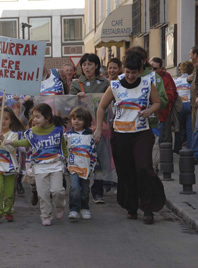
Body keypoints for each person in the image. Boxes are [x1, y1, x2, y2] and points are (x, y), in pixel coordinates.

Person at [95, 52, 166, 225]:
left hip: (142, 133)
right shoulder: (115, 85)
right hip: (120, 134)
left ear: (140, 71)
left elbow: (157, 102)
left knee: (144, 168)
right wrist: (98, 129)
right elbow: (102, 107)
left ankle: (148, 208)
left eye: (134, 72)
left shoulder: (148, 84)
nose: (131, 76)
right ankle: (131, 206)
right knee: (126, 172)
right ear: (123, 70)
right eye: (127, 72)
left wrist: (150, 110)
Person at [5, 103, 67, 226]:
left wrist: (66, 157)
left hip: (56, 165)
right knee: (43, 194)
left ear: (48, 117)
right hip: (39, 166)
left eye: (38, 117)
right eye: (33, 117)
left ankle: (59, 206)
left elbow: (63, 144)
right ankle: (46, 215)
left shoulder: (57, 129)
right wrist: (12, 142)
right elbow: (26, 142)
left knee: (57, 191)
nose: (34, 120)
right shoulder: (32, 132)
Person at [69, 53, 109, 204]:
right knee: (81, 157)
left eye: (90, 64)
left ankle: (97, 191)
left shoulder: (104, 83)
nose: (87, 67)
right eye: (84, 65)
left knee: (99, 159)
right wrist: (76, 99)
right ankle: (79, 187)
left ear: (96, 66)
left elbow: (109, 103)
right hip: (82, 127)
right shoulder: (76, 83)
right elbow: (70, 106)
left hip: (100, 126)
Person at [0, 106, 25, 222]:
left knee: (9, 192)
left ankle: (8, 211)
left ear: (11, 121)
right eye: (1, 118)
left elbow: (10, 148)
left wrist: (3, 140)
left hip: (10, 167)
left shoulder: (14, 135)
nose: (3, 121)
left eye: (6, 119)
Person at [66, 107, 96, 221]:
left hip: (86, 167)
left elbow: (93, 152)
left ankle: (85, 208)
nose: (76, 121)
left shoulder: (90, 135)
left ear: (86, 121)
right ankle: (74, 209)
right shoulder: (67, 135)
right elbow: (64, 150)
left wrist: (92, 166)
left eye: (79, 119)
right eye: (73, 118)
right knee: (74, 188)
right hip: (73, 167)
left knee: (85, 189)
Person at [150, 57, 178, 144]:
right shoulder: (143, 77)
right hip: (148, 117)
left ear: (160, 69)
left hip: (162, 114)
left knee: (163, 142)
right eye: (150, 67)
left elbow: (171, 95)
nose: (152, 70)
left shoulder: (165, 78)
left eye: (155, 68)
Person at [174, 61, 194, 152]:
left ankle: (177, 148)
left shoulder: (176, 80)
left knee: (179, 128)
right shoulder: (192, 80)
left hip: (179, 105)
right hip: (190, 104)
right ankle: (190, 148)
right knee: (190, 129)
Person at [189, 46, 198, 161]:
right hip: (197, 101)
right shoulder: (196, 67)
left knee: (197, 128)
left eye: (191, 53)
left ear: (195, 54)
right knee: (196, 128)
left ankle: (195, 154)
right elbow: (196, 83)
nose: (189, 56)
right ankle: (195, 154)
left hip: (197, 101)